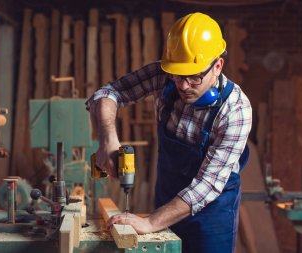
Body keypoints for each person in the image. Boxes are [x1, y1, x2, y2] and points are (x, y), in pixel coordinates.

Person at [86, 12, 252, 253]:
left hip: (212, 215)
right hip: (167, 197)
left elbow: (207, 184)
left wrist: (151, 221)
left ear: (217, 66)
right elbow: (107, 94)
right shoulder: (165, 77)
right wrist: (107, 140)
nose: (183, 85)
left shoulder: (236, 110)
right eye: (177, 76)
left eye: (193, 78)